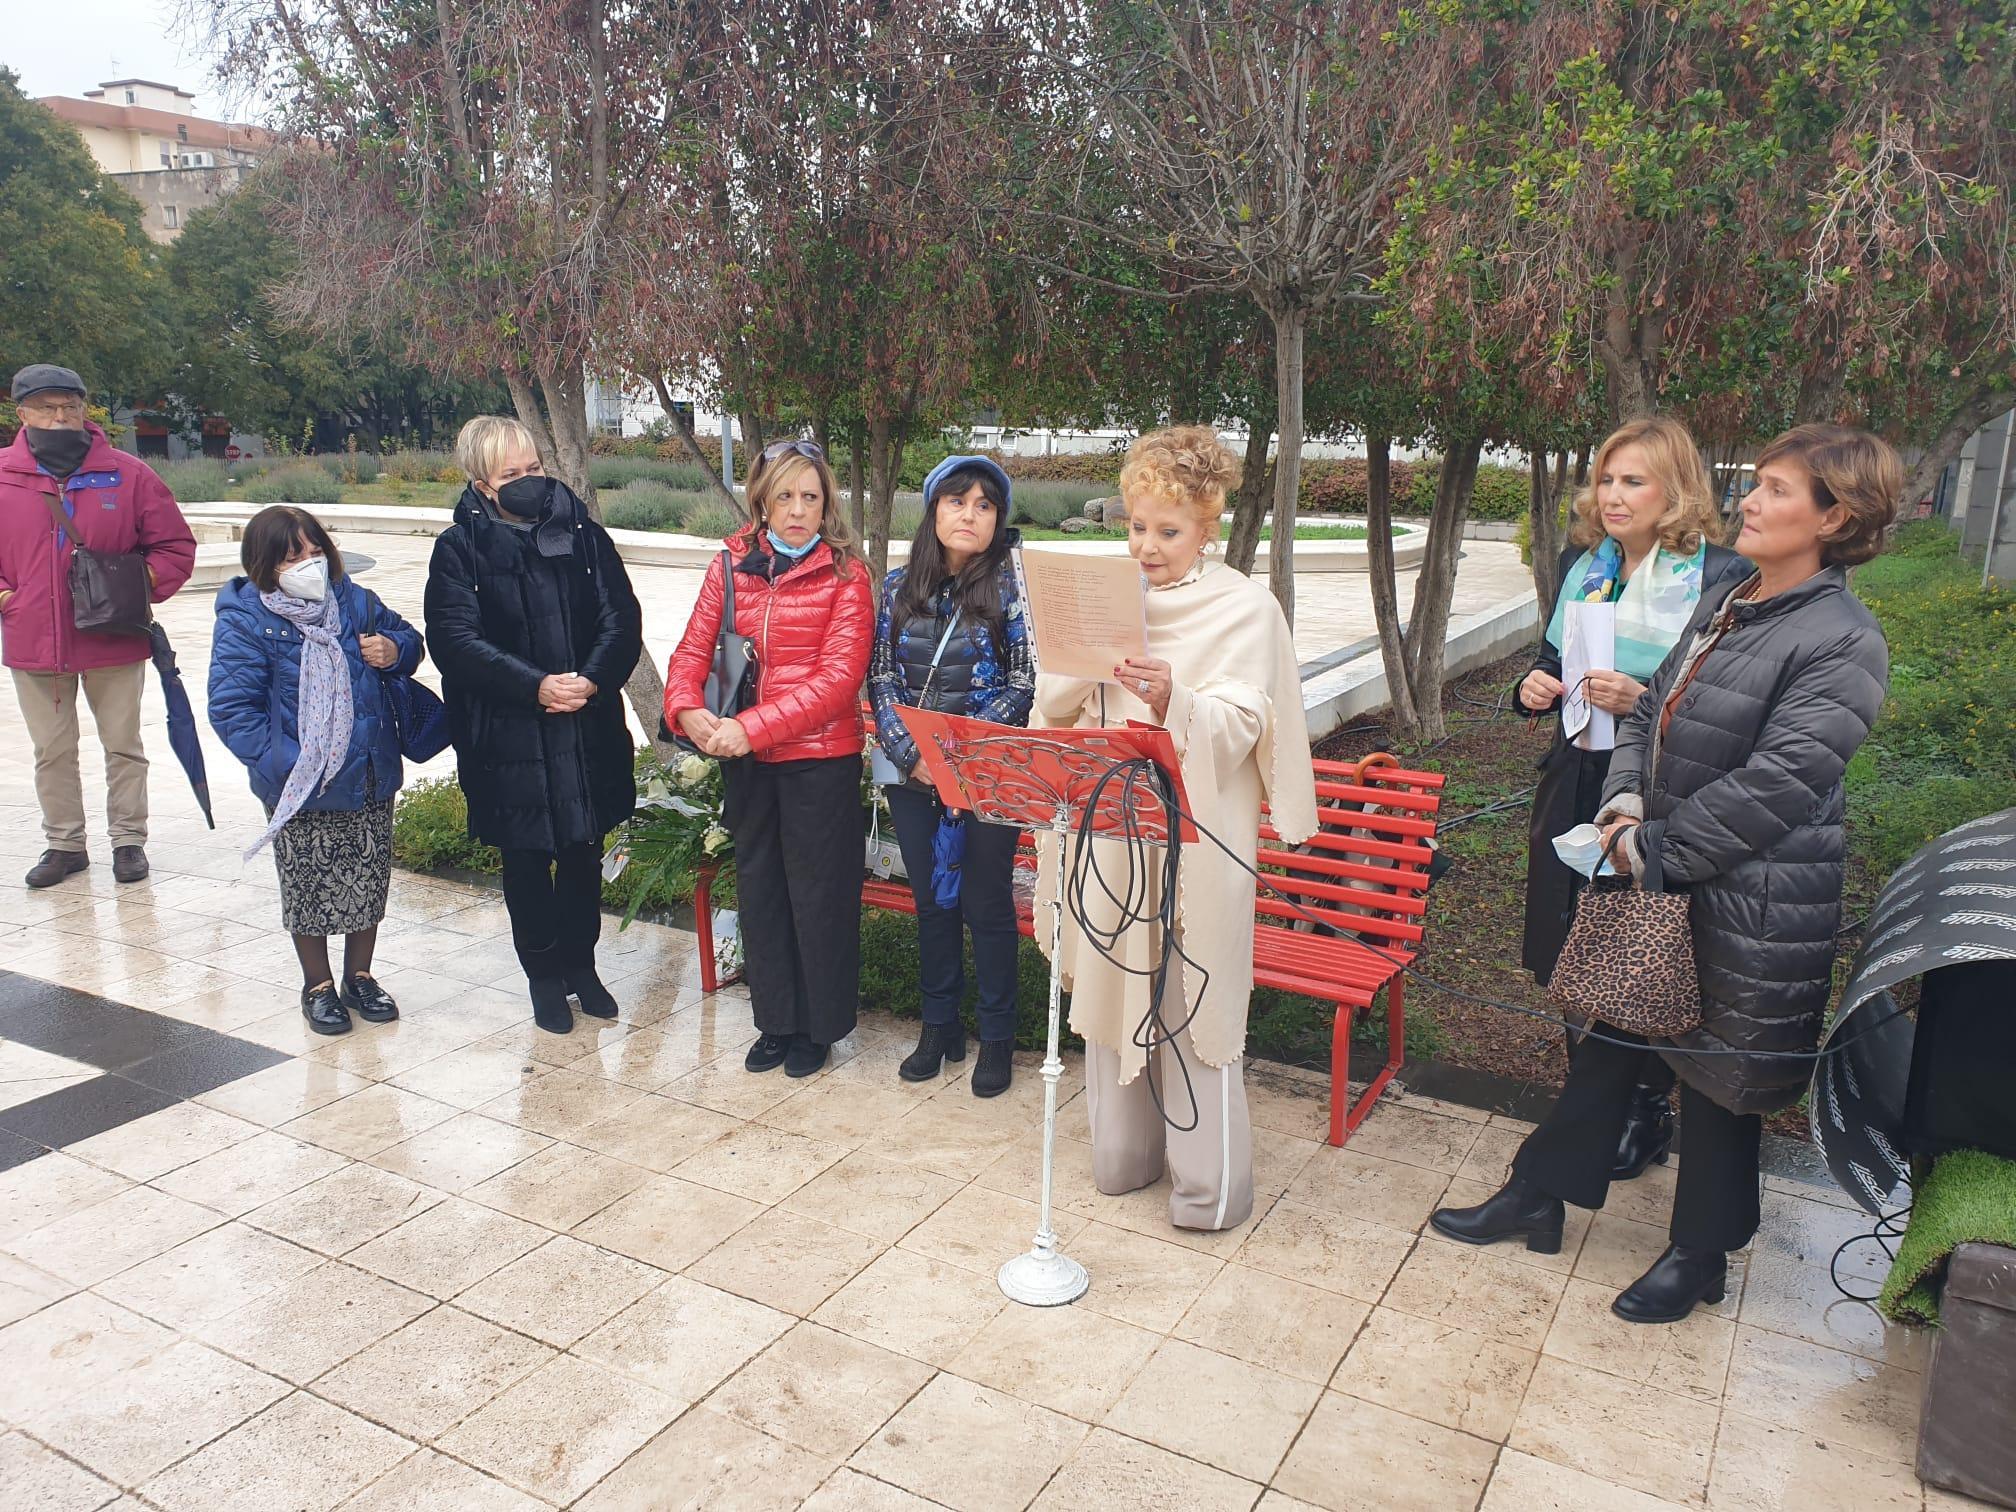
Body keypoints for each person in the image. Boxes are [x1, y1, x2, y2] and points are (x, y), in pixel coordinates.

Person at [1433, 423, 1900, 1324]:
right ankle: (1541, 1190)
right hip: (1661, 866)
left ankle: (1701, 1253)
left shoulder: (1843, 639)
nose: (1750, 503)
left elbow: (1784, 783)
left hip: (1754, 897)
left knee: (1719, 1075)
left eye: (1775, 490)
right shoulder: (1735, 602)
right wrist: (1623, 808)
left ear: (1835, 516)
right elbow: (1652, 714)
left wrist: (1655, 849)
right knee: (1614, 1033)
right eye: (1754, 484)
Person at [1034, 425, 1318, 1231]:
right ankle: (1123, 1161)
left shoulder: (1245, 608)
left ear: (1208, 526)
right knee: (1112, 987)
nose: (1147, 546)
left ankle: (1210, 1192)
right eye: (1135, 527)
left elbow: (1246, 727)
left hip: (1199, 842)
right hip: (1111, 838)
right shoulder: (1107, 595)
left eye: (1168, 530)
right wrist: (1076, 662)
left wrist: (1175, 701)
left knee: (1190, 1009)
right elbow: (1057, 703)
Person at [1518, 417, 1750, 1180]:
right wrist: (1534, 687)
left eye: (1634, 481)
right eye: (1607, 480)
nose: (1613, 496)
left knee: (1638, 951)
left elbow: (1727, 699)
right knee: (1564, 940)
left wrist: (1644, 695)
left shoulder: (1720, 574)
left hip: (1656, 793)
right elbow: (1552, 658)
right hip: (1576, 777)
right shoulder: (1585, 564)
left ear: (1675, 489)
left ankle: (1644, 1111)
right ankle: (1584, 1100)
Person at [427, 416, 643, 1035]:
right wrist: (534, 685)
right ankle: (543, 978)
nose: (529, 482)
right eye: (512, 475)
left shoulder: (583, 533)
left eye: (535, 469)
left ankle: (583, 967)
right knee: (525, 863)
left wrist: (593, 679)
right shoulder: (459, 549)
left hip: (585, 728)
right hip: (509, 737)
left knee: (582, 854)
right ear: (482, 483)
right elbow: (454, 640)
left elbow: (620, 618)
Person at [665, 440, 874, 1078]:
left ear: (826, 504)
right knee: (761, 891)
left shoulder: (846, 575)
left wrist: (749, 729)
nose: (797, 510)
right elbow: (693, 651)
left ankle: (818, 1027)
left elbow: (838, 681)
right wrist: (687, 711)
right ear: (762, 499)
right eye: (784, 496)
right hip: (746, 760)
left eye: (810, 497)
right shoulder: (730, 566)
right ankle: (776, 1021)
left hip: (817, 760)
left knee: (817, 895)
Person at [208, 507, 424, 1034]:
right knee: (308, 887)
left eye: (315, 550)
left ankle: (361, 976)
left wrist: (394, 650)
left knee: (367, 880)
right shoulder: (246, 617)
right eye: (292, 556)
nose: (309, 562)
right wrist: (287, 765)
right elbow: (232, 707)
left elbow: (412, 644)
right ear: (265, 565)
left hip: (368, 769)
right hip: (300, 785)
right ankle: (318, 986)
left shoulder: (355, 601)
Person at [869, 455, 1035, 1097]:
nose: (970, 514)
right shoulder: (894, 588)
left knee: (986, 905)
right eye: (957, 501)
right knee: (932, 903)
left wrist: (957, 757)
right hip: (910, 773)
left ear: (998, 519)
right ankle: (938, 1026)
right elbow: (880, 675)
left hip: (988, 774)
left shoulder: (1016, 589)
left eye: (985, 505)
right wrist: (914, 754)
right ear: (934, 510)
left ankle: (997, 1036)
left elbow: (1023, 681)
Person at [0, 364, 195, 888]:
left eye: (69, 405)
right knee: (52, 751)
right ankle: (65, 845)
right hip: (34, 639)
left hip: (113, 637)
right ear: (22, 413)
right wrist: (7, 598)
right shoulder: (3, 475)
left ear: (84, 409)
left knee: (124, 744)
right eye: (46, 407)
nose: (59, 417)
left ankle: (129, 841)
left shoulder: (129, 474)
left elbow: (175, 546)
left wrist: (136, 590)